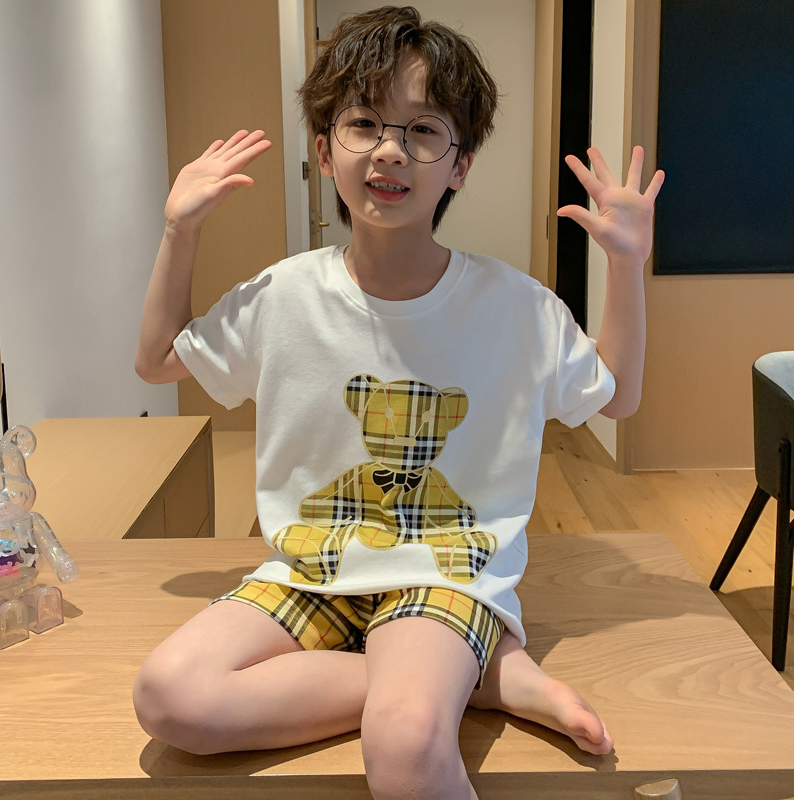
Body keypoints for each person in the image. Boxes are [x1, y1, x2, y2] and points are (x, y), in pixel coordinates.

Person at [132, 7, 663, 799]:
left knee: (404, 745)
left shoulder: (513, 306)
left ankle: (439, 678)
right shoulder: (283, 295)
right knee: (168, 695)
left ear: (460, 166)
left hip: (443, 577)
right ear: (325, 151)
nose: (390, 149)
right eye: (364, 123)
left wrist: (625, 266)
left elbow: (616, 398)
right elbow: (156, 363)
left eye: (422, 130)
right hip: (311, 571)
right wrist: (180, 231)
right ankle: (480, 678)